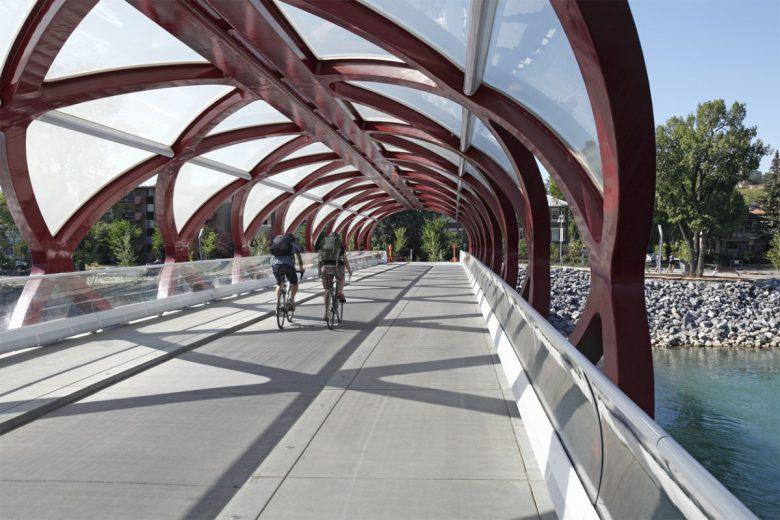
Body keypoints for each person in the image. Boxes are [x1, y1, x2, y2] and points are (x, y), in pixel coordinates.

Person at [270, 232, 304, 310]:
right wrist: (301, 268)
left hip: (276, 266)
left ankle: (278, 303)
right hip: (288, 266)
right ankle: (291, 299)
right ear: (293, 240)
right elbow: (299, 260)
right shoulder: (294, 245)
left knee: (279, 284)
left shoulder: (277, 245)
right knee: (295, 284)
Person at [318, 232, 352, 304]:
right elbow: (345, 260)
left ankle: (327, 313)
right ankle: (339, 292)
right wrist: (349, 270)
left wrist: (320, 271)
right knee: (341, 277)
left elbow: (320, 259)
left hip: (325, 267)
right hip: (337, 267)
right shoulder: (340, 246)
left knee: (327, 290)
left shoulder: (324, 245)